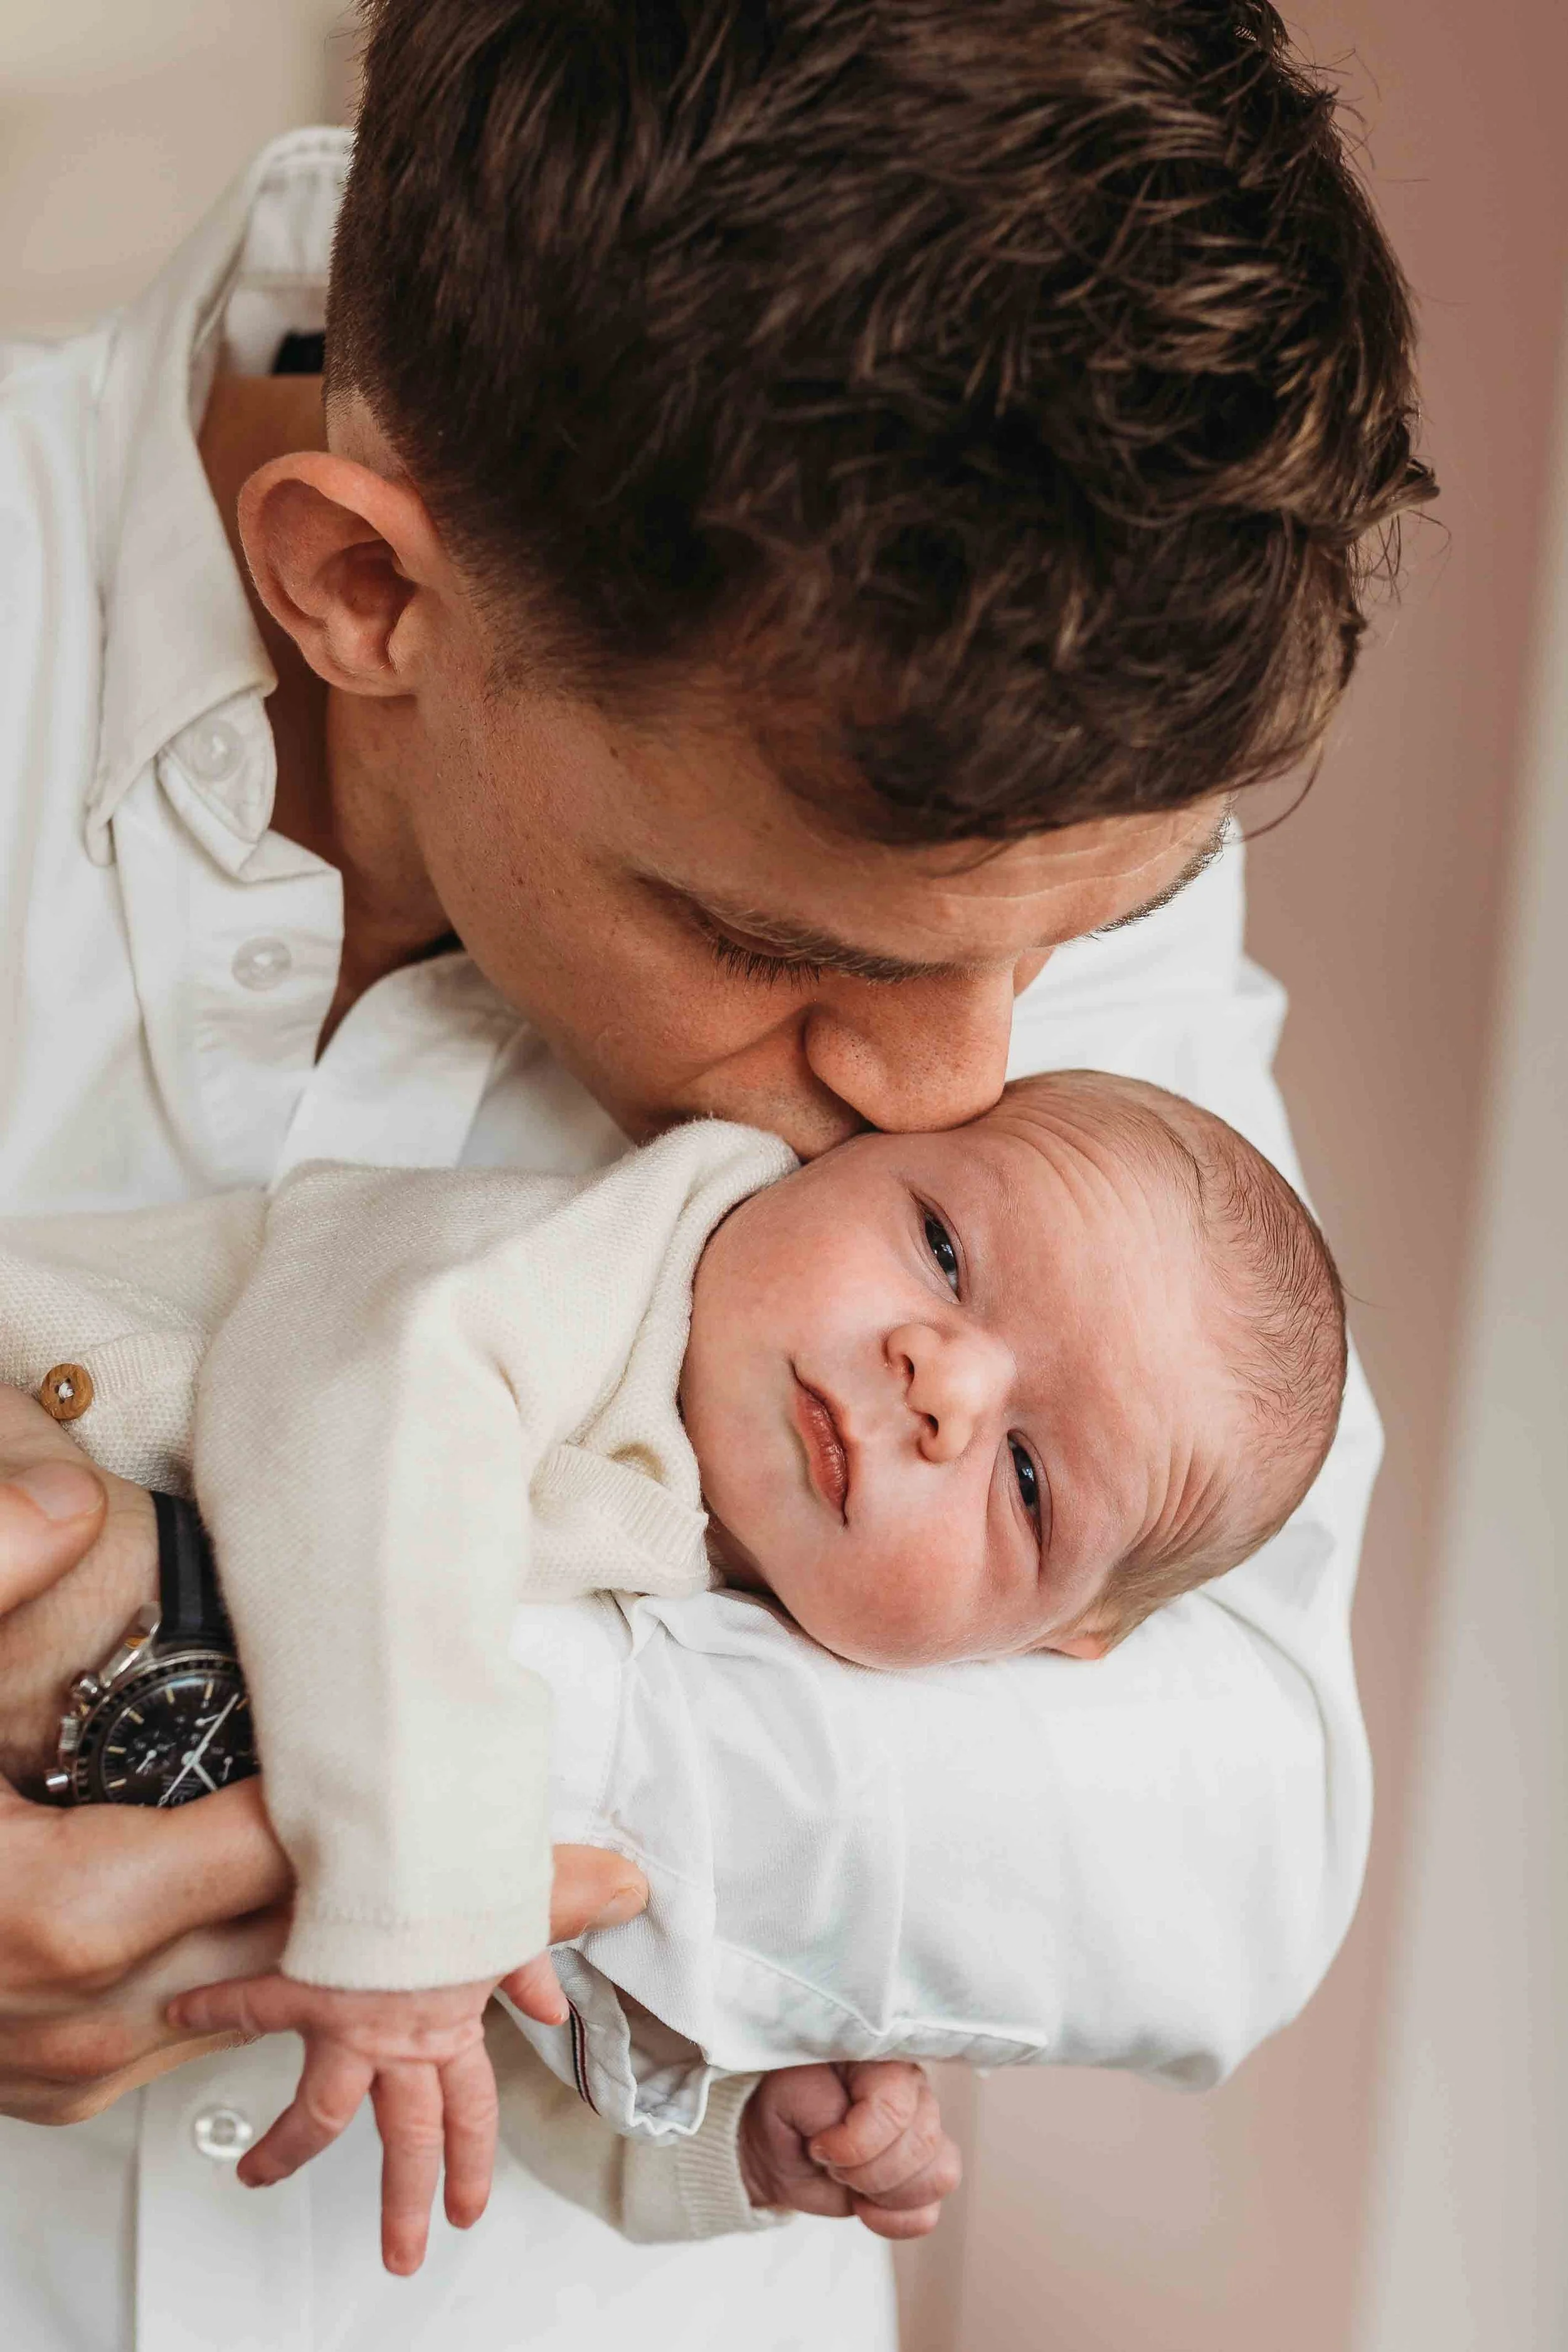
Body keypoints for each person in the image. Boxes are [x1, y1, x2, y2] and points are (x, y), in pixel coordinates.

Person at [0, 1, 1431, 2344]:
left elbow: (1233, 1823)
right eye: (779, 945)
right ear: (369, 593)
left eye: (1074, 945)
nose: (951, 1083)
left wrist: (240, 1679)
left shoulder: (1030, 788)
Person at [2, 1071, 1346, 2273]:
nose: (939, 1378)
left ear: (1046, 1647)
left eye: (1028, 1474)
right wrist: (414, 1909)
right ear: (834, 1151)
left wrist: (724, 2128)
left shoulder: (716, 1618)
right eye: (940, 1247)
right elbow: (363, 1438)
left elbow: (511, 1983)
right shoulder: (593, 1258)